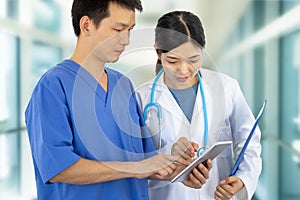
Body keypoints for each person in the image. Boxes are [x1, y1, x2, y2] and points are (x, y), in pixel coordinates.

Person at [24, 1, 212, 200]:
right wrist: (135, 168)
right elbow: (59, 168)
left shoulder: (123, 85)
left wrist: (181, 172)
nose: (126, 40)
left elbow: (146, 161)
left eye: (130, 30)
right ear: (86, 25)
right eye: (118, 29)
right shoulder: (53, 86)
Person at [135, 11, 262, 200]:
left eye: (193, 60)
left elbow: (249, 142)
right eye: (173, 61)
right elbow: (134, 162)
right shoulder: (141, 98)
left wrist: (242, 180)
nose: (184, 70)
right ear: (158, 53)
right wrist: (170, 153)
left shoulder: (226, 87)